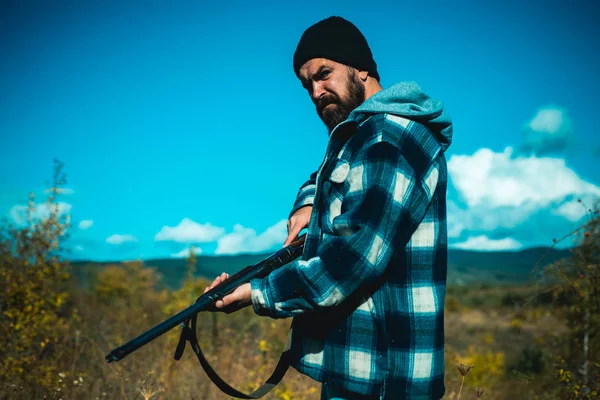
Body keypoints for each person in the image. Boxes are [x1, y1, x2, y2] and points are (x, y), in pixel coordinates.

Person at [205, 16, 453, 400]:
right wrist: (308, 204)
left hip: (386, 380)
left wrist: (257, 293)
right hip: (358, 373)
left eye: (324, 74)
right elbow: (324, 174)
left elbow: (353, 259)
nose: (316, 92)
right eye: (307, 85)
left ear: (361, 68)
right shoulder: (363, 138)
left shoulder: (390, 138)